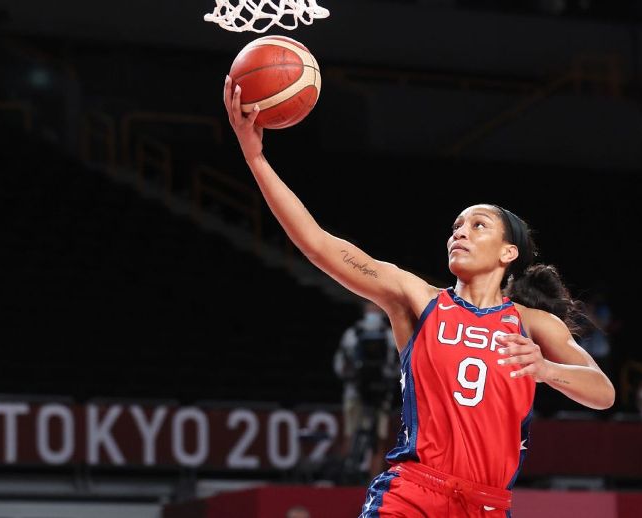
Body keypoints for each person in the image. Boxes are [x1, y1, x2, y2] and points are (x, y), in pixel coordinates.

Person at [224, 77, 615, 518]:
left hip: (486, 505)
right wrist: (255, 157)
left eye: (477, 225)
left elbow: (603, 393)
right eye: (456, 227)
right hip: (414, 493)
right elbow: (318, 244)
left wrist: (545, 369)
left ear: (509, 252)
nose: (460, 233)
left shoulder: (532, 325)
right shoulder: (418, 299)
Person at [334, 301, 398, 479]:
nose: (374, 311)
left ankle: (372, 481)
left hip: (382, 393)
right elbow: (340, 364)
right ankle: (344, 477)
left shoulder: (390, 335)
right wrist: (352, 373)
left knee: (379, 438)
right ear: (364, 310)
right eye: (371, 308)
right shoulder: (352, 334)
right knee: (350, 434)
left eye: (377, 308)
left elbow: (398, 364)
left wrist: (388, 377)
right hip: (355, 392)